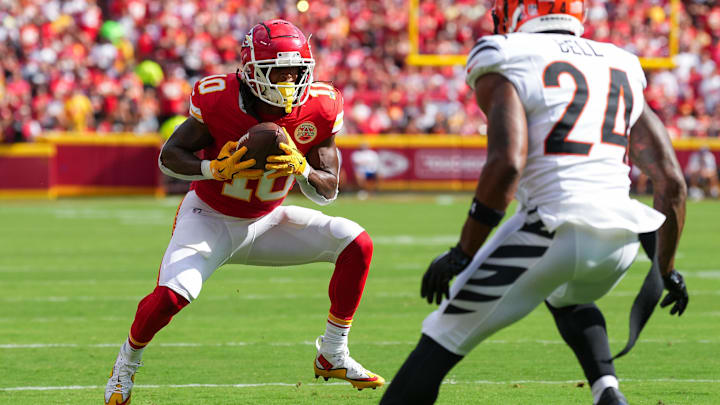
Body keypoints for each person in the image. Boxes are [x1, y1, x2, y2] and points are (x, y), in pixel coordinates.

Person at [380, 2, 689, 405]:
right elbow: (672, 182)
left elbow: (507, 164)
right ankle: (607, 391)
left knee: (440, 338)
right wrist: (666, 269)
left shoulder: (505, 52)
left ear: (519, 10)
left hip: (552, 232)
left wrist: (462, 253)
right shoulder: (621, 62)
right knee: (568, 296)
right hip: (622, 245)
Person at [104, 19, 384, 405]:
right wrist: (212, 169)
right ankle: (125, 365)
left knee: (357, 243)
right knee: (171, 297)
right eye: (277, 72)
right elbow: (169, 156)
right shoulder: (218, 99)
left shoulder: (320, 105)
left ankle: (332, 354)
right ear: (251, 72)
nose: (288, 82)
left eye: (296, 72)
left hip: (269, 220)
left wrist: (302, 170)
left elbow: (328, 189)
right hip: (210, 216)